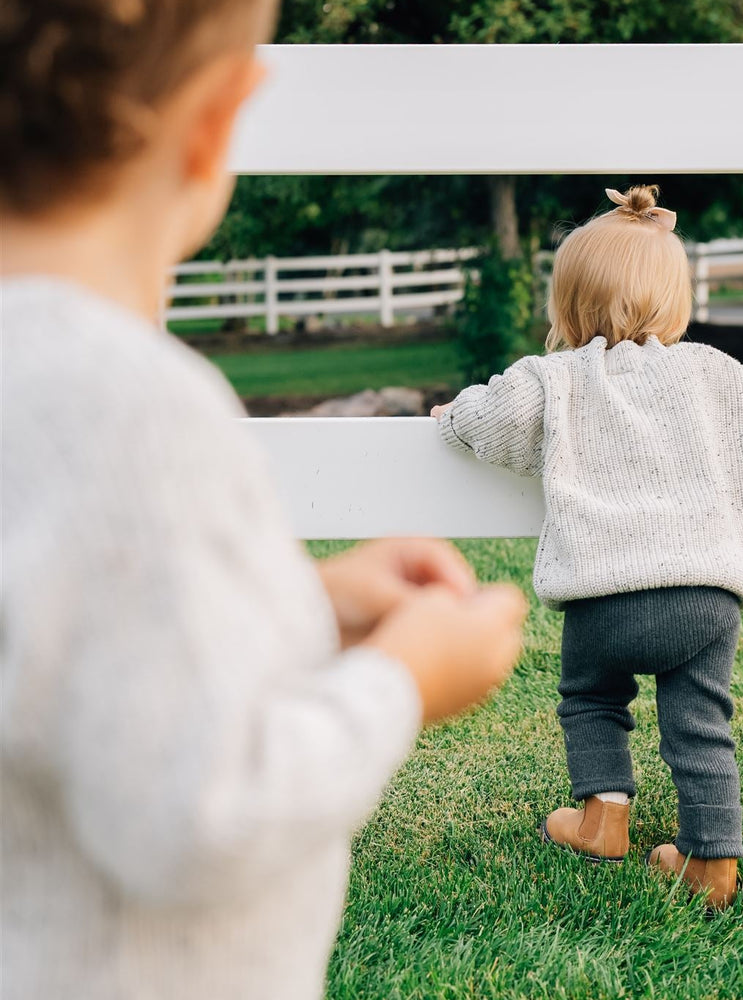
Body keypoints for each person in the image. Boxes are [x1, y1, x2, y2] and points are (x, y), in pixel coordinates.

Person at [0, 3, 527, 998]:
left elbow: (67, 643)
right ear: (215, 118)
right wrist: (404, 678)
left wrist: (301, 602)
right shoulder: (133, 412)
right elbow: (197, 813)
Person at [432, 185, 743, 910]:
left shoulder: (555, 378)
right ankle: (712, 861)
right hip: (706, 592)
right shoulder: (715, 372)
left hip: (606, 594)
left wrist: (452, 414)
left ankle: (601, 817)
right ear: (676, 303)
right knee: (700, 720)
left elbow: (490, 418)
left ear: (568, 308)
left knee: (592, 698)